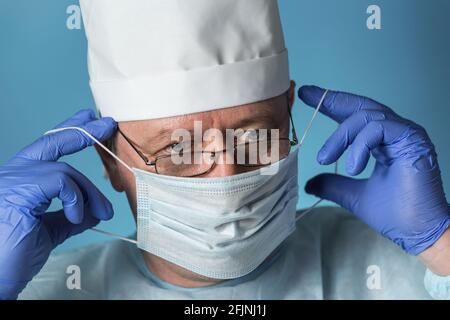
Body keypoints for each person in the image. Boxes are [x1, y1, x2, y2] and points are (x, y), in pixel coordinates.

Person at [0, 0, 449, 300]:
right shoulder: (46, 289)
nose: (228, 181)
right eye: (179, 151)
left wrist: (442, 247)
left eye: (255, 136)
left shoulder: (402, 266)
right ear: (110, 162)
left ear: (289, 115)